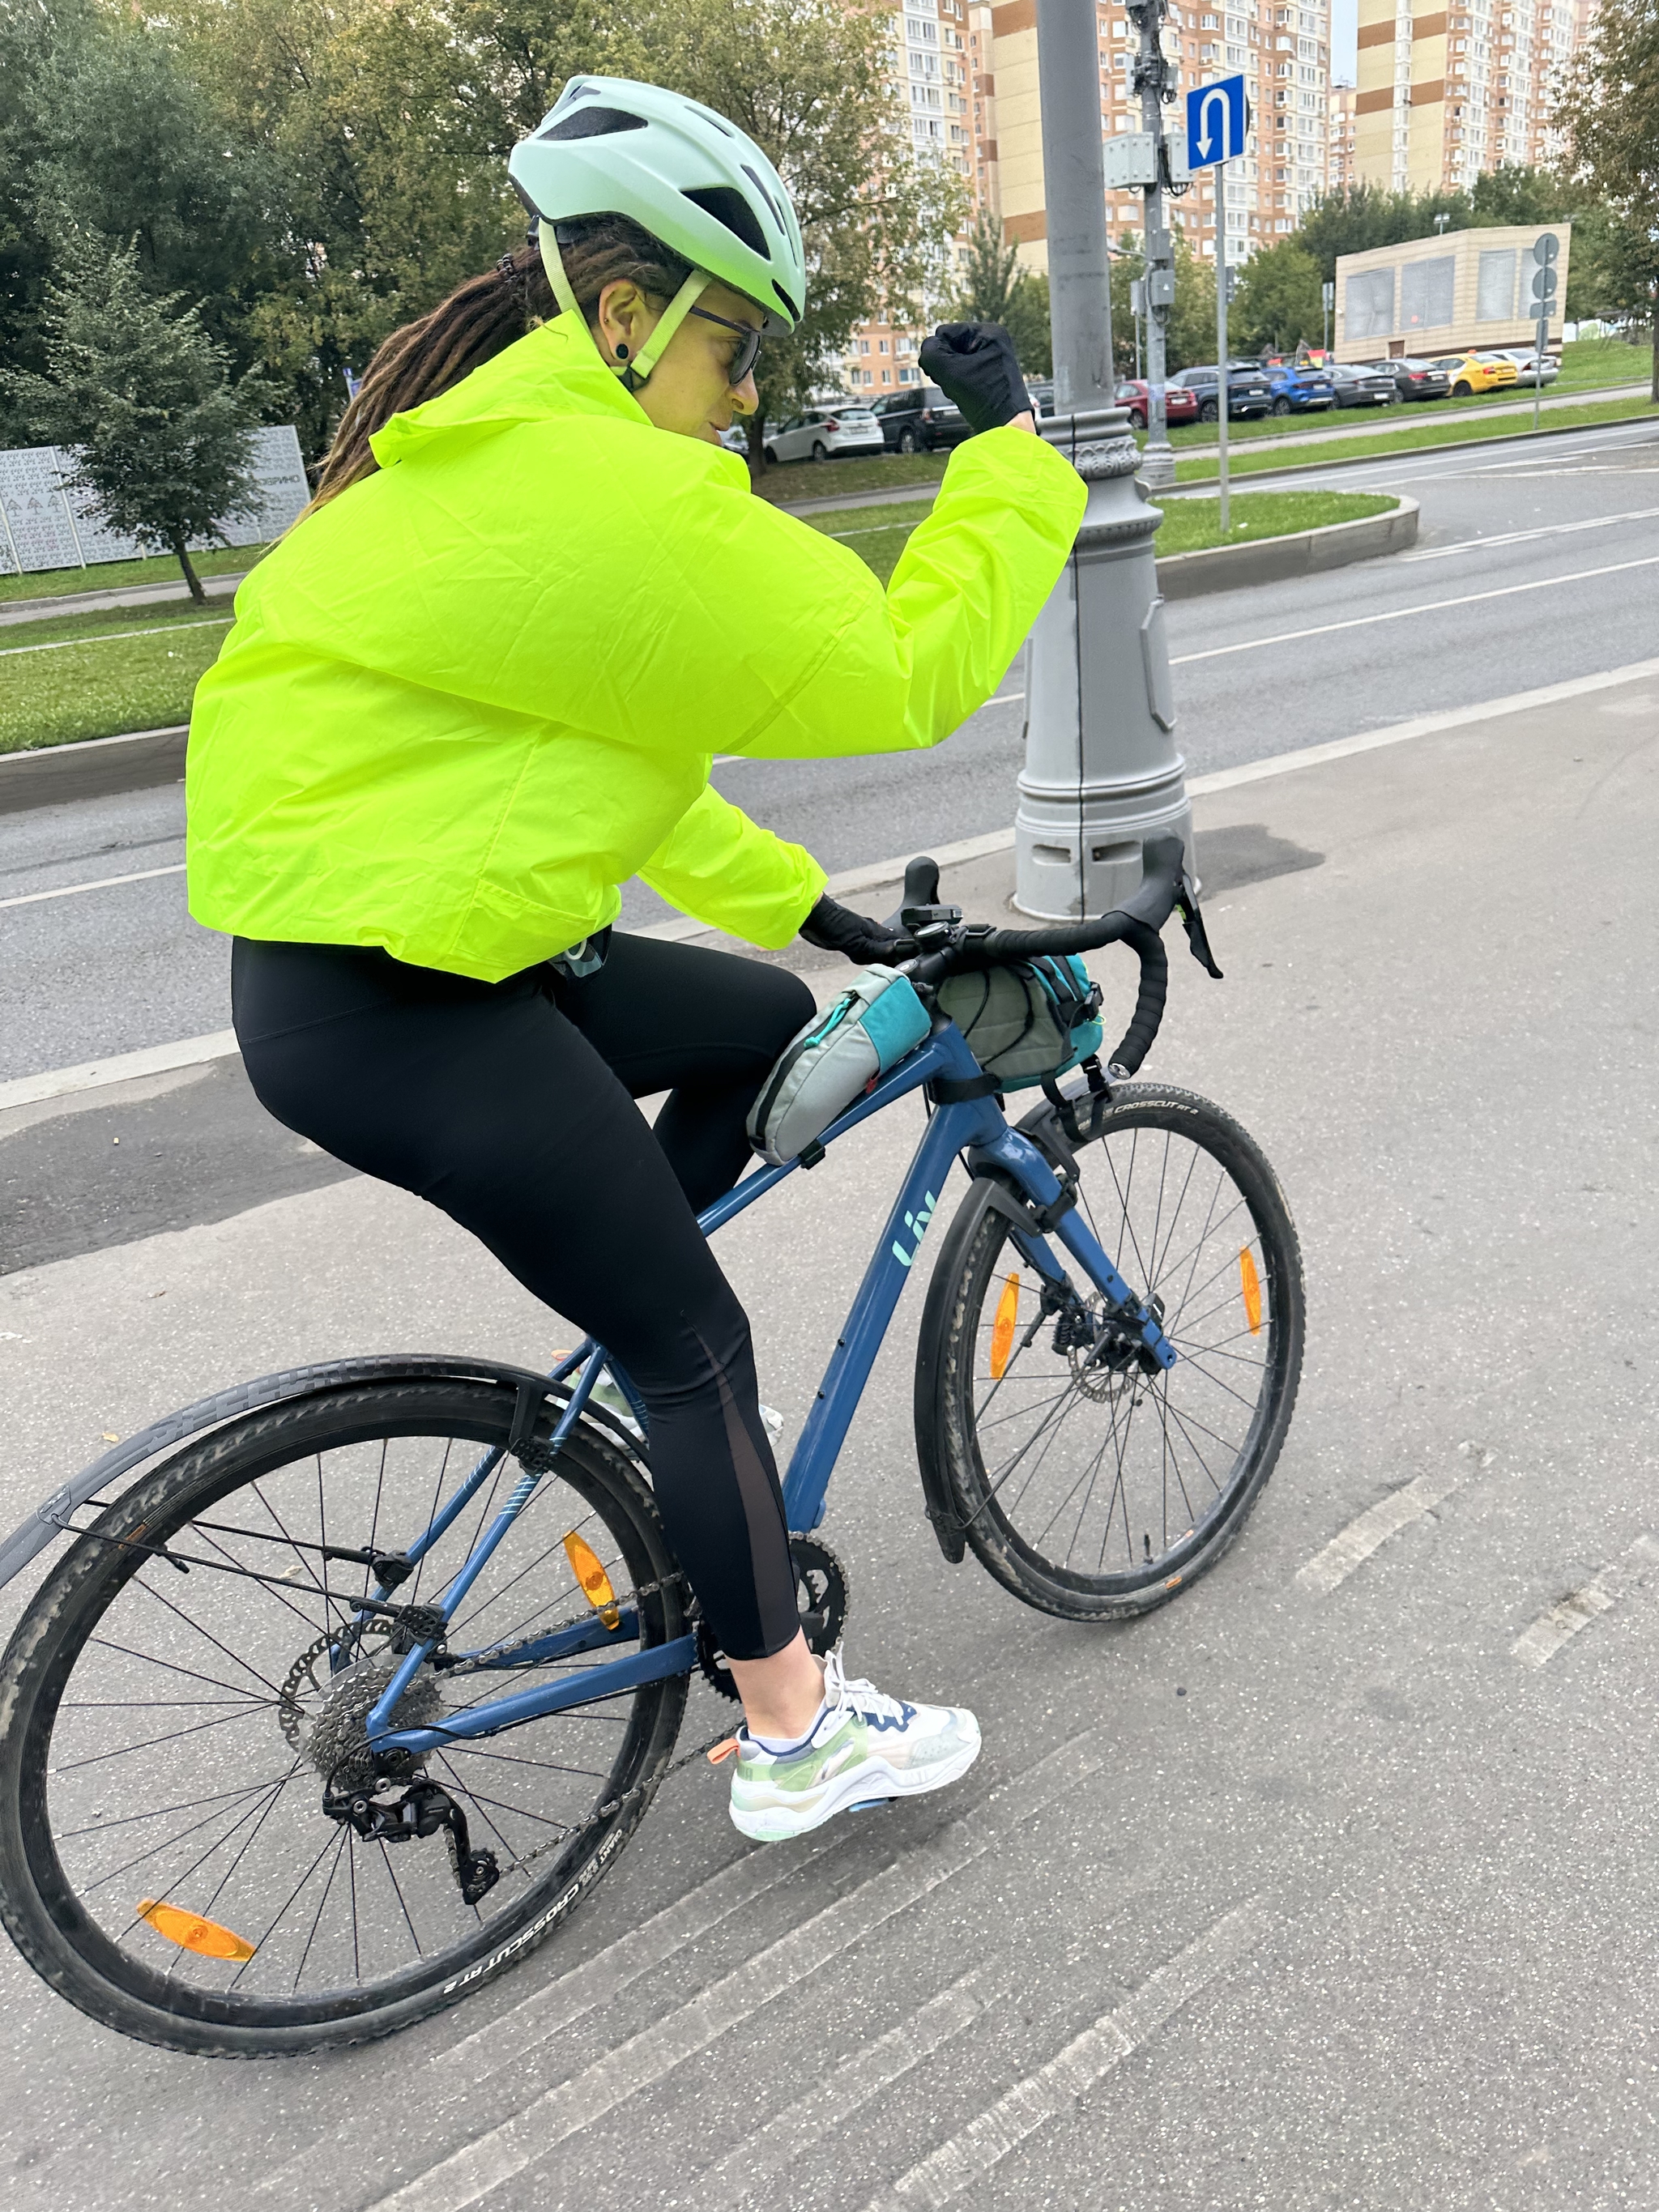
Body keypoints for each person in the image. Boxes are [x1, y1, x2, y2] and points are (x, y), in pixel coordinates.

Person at [186, 75, 1085, 1843]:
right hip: (403, 1003)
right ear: (626, 316)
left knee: (754, 1019)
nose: (748, 391)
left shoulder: (493, 464)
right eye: (735, 349)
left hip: (406, 951)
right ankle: (794, 1737)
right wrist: (1012, 452)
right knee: (696, 1345)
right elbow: (903, 672)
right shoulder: (610, 494)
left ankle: (634, 1295)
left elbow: (623, 772)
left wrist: (811, 920)